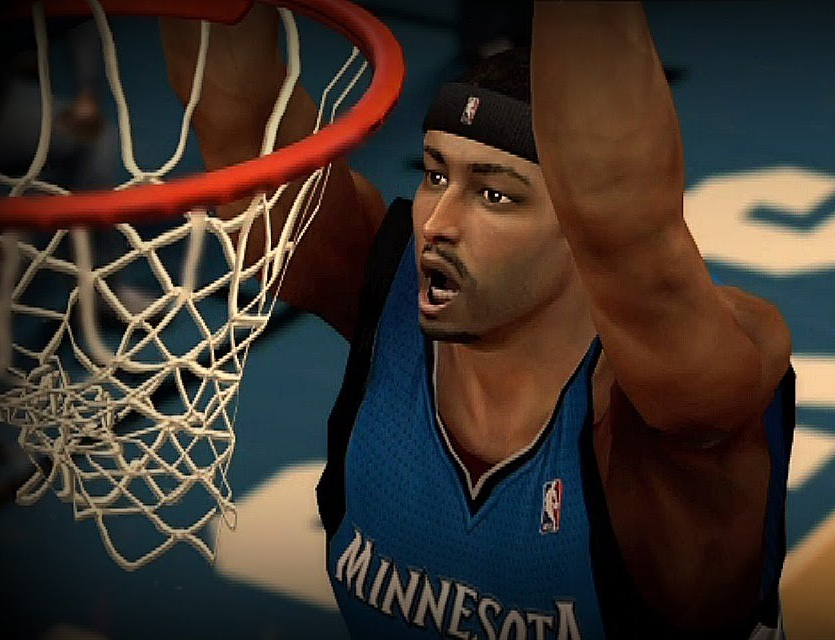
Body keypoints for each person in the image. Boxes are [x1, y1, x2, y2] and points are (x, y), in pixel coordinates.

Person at [159, 2, 795, 638]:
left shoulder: (665, 399)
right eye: (435, 176)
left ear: (580, 230)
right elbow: (241, 122)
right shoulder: (385, 288)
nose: (437, 224)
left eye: (495, 195)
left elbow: (624, 215)